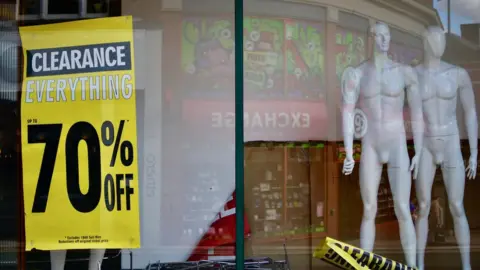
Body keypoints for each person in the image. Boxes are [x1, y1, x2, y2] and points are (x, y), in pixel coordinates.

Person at [341, 21, 423, 267]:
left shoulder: (404, 72)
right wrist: (348, 152)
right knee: (368, 209)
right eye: (380, 36)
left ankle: (411, 265)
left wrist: (418, 150)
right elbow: (347, 112)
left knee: (402, 208)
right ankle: (365, 265)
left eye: (388, 35)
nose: (385, 40)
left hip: (397, 144)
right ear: (372, 38)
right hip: (371, 145)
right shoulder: (357, 73)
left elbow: (418, 112)